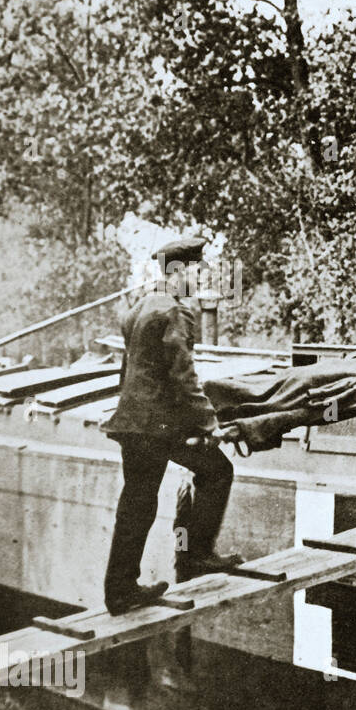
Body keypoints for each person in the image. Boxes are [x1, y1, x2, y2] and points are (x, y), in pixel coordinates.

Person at [101, 237, 240, 614]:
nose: (200, 277)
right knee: (218, 469)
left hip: (135, 422)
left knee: (136, 504)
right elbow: (183, 376)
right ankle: (196, 556)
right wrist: (210, 424)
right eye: (196, 270)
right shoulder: (175, 311)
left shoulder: (139, 307)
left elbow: (130, 371)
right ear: (178, 272)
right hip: (155, 426)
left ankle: (120, 589)